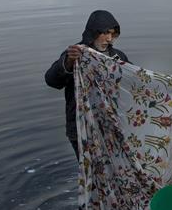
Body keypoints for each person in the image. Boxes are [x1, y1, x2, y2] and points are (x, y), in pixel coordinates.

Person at [45, 10, 130, 160]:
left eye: (113, 34)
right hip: (81, 127)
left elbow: (135, 80)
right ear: (94, 32)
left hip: (110, 126)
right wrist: (69, 62)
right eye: (105, 33)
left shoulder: (117, 57)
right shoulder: (75, 54)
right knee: (90, 170)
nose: (109, 38)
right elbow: (51, 80)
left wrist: (166, 85)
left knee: (114, 170)